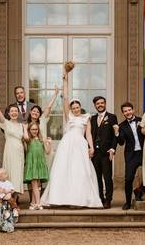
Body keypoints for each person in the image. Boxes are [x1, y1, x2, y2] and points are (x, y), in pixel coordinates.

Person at [41, 70, 102, 208]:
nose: (75, 109)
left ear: (80, 107)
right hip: (67, 144)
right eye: (73, 108)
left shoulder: (86, 118)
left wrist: (91, 147)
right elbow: (66, 97)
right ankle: (60, 198)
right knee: (64, 169)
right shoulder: (69, 116)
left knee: (79, 171)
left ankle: (79, 200)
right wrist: (65, 80)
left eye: (77, 107)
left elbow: (88, 134)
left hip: (80, 144)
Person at [0, 87, 26, 199]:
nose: (14, 113)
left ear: (18, 113)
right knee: (9, 172)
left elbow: (25, 139)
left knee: (18, 173)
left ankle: (15, 199)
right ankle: (8, 198)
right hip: (10, 150)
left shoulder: (22, 125)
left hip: (19, 151)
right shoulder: (6, 123)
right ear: (9, 112)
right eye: (12, 111)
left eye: (16, 111)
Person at [89, 94, 119, 207]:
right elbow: (89, 135)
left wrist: (113, 148)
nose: (100, 105)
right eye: (97, 104)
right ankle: (100, 198)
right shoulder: (92, 119)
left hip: (107, 153)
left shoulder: (112, 117)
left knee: (107, 177)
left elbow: (115, 135)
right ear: (95, 105)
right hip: (95, 154)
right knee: (97, 178)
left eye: (102, 103)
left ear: (105, 104)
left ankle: (108, 200)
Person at [116, 102, 144, 211]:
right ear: (123, 113)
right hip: (131, 155)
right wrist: (117, 133)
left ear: (133, 110)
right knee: (128, 179)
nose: (128, 112)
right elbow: (121, 143)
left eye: (129, 110)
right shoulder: (121, 126)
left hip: (144, 153)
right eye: (125, 111)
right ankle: (127, 202)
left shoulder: (141, 120)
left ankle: (138, 190)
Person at [23, 121, 51, 210]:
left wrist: (48, 143)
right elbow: (26, 137)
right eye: (32, 129)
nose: (34, 131)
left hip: (40, 164)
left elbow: (47, 151)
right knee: (34, 184)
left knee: (38, 185)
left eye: (36, 129)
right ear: (29, 130)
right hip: (32, 164)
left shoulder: (41, 140)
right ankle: (38, 203)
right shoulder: (28, 140)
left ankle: (33, 203)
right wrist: (24, 128)